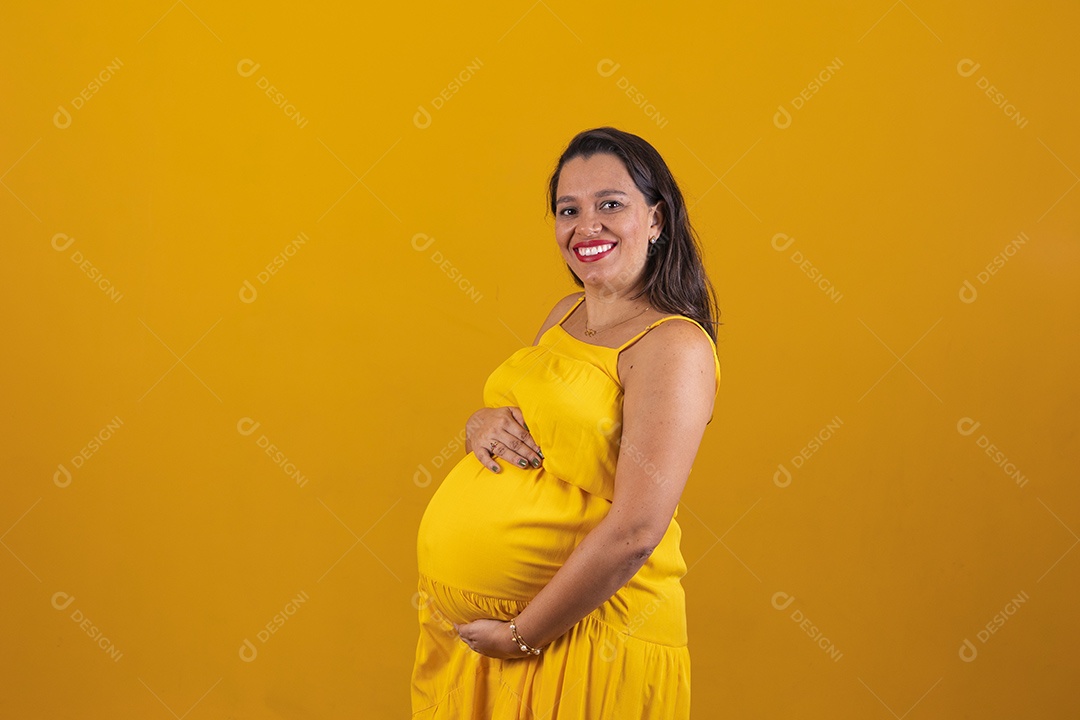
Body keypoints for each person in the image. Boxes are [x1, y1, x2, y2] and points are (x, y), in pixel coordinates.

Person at [411, 126, 722, 719]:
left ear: (656, 220)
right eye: (568, 209)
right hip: (488, 647)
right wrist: (479, 425)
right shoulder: (566, 312)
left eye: (611, 204)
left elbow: (636, 530)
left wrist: (523, 633)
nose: (587, 225)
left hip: (585, 642)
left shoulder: (672, 347)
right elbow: (540, 431)